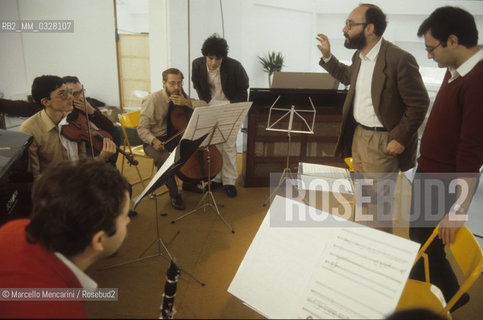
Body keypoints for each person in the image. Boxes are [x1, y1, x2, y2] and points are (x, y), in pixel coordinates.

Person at [316, 4, 429, 232]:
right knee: (365, 201)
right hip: (358, 136)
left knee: (377, 209)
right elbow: (347, 77)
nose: (344, 29)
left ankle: (376, 252)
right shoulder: (360, 56)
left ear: (370, 28)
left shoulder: (399, 59)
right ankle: (365, 243)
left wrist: (400, 138)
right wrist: (328, 57)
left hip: (382, 142)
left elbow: (419, 104)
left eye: (349, 24)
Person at [409, 6, 483, 312]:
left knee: (424, 249)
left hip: (443, 182)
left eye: (431, 48)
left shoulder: (478, 80)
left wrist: (458, 208)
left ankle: (441, 301)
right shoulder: (455, 71)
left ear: (452, 41)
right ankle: (448, 295)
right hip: (429, 172)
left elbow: (471, 153)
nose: (429, 56)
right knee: (423, 245)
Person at [0, 159, 131, 318]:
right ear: (98, 240)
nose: (128, 221)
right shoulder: (61, 311)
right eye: (124, 216)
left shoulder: (17, 227)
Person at [19, 75, 116, 180]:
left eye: (68, 91)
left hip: (79, 181)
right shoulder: (29, 129)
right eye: (62, 94)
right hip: (55, 190)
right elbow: (35, 178)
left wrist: (102, 158)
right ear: (46, 102)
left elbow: (82, 164)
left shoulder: (74, 119)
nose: (70, 97)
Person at [138, 68, 206, 210]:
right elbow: (142, 129)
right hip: (155, 140)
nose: (176, 87)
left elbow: (205, 105)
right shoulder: (152, 100)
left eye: (179, 83)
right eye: (172, 83)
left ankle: (188, 182)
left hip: (174, 137)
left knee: (190, 148)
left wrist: (187, 103)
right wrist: (154, 141)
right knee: (165, 160)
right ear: (164, 83)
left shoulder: (182, 96)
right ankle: (175, 195)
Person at [191, 34, 249, 198]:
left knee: (229, 144)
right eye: (210, 58)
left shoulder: (234, 66)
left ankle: (229, 181)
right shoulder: (197, 64)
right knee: (214, 144)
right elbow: (196, 83)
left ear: (223, 57)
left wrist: (232, 106)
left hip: (231, 105)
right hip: (210, 105)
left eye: (218, 59)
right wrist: (206, 102)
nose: (214, 62)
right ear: (205, 56)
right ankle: (217, 178)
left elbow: (244, 87)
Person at [62, 76, 123, 165]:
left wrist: (91, 111)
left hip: (92, 134)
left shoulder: (87, 102)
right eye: (75, 94)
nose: (80, 97)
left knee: (117, 130)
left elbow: (108, 125)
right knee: (88, 148)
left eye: (81, 92)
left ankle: (109, 161)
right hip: (79, 141)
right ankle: (105, 163)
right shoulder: (64, 108)